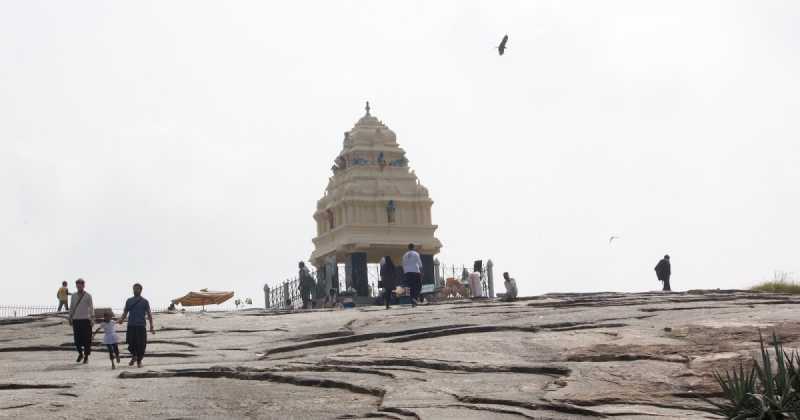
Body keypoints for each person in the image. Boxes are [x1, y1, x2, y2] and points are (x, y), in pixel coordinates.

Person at [118, 283, 155, 368]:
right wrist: (121, 319)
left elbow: (149, 314)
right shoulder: (129, 300)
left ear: (140, 290)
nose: (135, 290)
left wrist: (151, 326)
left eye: (137, 289)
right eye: (134, 289)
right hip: (131, 325)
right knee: (131, 343)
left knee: (141, 344)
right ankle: (134, 355)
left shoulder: (145, 301)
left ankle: (139, 361)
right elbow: (125, 312)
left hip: (141, 326)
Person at [68, 278, 94, 364]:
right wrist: (70, 317)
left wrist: (92, 319)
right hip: (76, 320)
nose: (79, 286)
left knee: (87, 340)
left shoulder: (88, 296)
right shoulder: (73, 296)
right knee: (77, 340)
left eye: (80, 285)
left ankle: (86, 356)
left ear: (83, 285)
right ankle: (80, 353)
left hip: (86, 320)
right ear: (76, 286)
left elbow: (91, 308)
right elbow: (71, 307)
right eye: (77, 285)